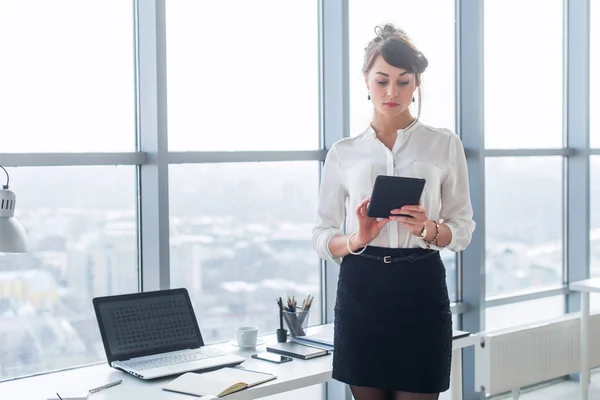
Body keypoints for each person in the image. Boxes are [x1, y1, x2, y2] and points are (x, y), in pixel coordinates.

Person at [312, 23, 476, 400]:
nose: (392, 92)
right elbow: (320, 235)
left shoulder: (444, 144)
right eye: (382, 80)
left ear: (416, 84)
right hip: (362, 290)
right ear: (366, 80)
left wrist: (429, 229)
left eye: (404, 81)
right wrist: (358, 238)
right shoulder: (344, 151)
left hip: (420, 288)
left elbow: (463, 228)